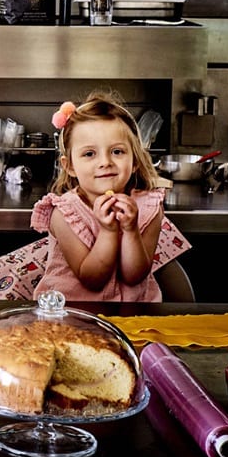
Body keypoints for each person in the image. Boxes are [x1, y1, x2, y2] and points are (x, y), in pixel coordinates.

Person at [31, 91, 165, 301]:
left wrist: (130, 230)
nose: (105, 162)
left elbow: (134, 277)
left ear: (135, 160)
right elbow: (92, 279)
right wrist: (108, 230)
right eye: (89, 154)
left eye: (117, 152)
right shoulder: (64, 213)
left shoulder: (149, 207)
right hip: (71, 317)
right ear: (70, 166)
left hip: (133, 317)